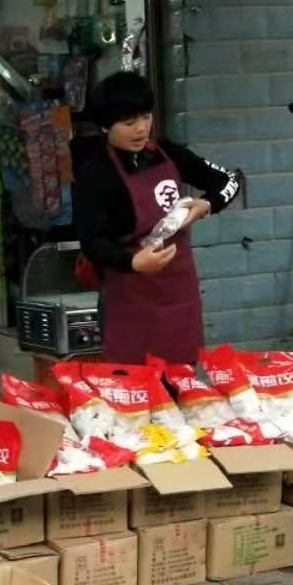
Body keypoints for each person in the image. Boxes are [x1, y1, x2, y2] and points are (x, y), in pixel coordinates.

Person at [74, 71, 242, 365]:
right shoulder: (95, 174)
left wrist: (207, 204)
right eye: (129, 123)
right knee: (134, 385)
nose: (141, 129)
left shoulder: (164, 153)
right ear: (106, 126)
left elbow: (229, 180)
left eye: (145, 117)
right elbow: (92, 243)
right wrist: (133, 261)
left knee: (183, 382)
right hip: (130, 299)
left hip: (179, 294)